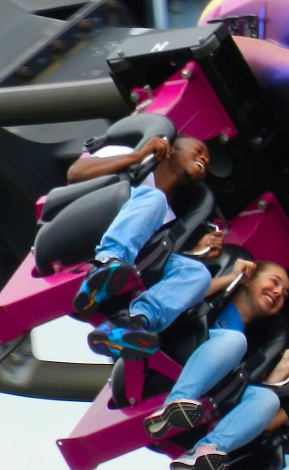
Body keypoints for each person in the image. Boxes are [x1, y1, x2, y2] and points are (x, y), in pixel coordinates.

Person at [140, 261, 289, 470]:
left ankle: (205, 450)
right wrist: (232, 277)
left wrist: (278, 373)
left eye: (284, 294)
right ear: (250, 280)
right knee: (234, 342)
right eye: (274, 282)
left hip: (202, 404)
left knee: (268, 400)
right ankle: (175, 403)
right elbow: (190, 293)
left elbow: (239, 387)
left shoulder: (254, 344)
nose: (278, 293)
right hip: (165, 363)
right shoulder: (219, 300)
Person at [68, 134, 215, 358]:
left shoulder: (172, 216)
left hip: (129, 268)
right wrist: (138, 155)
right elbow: (75, 174)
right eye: (198, 150)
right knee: (155, 199)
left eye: (207, 160)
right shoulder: (130, 155)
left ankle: (133, 322)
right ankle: (105, 264)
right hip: (83, 225)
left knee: (197, 274)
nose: (204, 159)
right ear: (172, 149)